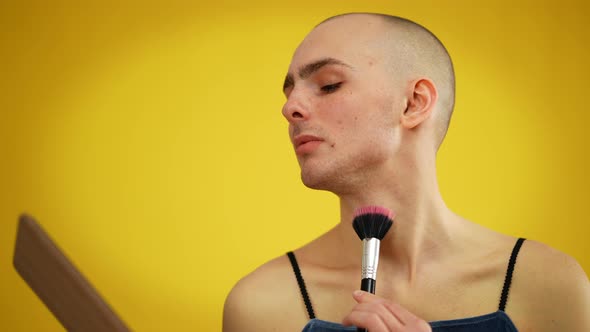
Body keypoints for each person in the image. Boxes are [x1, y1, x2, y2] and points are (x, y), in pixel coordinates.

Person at [222, 13, 590, 332]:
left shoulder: (547, 283)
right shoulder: (261, 304)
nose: (290, 108)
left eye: (328, 84)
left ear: (413, 103)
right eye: (288, 93)